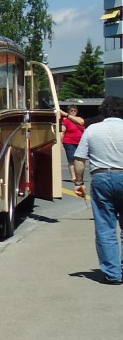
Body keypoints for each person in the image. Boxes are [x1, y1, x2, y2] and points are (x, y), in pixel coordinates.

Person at [72, 96, 123, 285]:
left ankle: (112, 273)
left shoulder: (92, 129)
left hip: (101, 178)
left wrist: (79, 182)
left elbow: (79, 159)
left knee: (105, 227)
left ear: (103, 111)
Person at [60, 104, 85, 179]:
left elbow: (84, 128)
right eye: (71, 111)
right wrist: (61, 140)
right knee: (71, 159)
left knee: (80, 159)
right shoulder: (65, 120)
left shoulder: (80, 119)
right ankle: (73, 176)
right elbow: (62, 131)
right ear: (68, 112)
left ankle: (79, 176)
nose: (73, 112)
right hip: (69, 142)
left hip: (80, 142)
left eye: (75, 110)